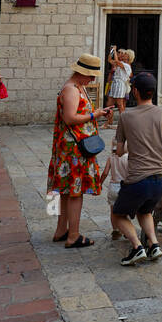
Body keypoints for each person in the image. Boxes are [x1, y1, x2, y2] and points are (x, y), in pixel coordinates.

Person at [112, 71, 162, 265]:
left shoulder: (126, 116)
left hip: (138, 179)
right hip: (161, 179)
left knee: (118, 215)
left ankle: (137, 247)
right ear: (152, 92)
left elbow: (119, 151)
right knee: (145, 211)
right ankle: (154, 245)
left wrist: (131, 144)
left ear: (135, 91)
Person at [48, 54, 115, 248]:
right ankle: (73, 235)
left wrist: (98, 112)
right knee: (75, 191)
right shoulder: (71, 90)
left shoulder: (78, 87)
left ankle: (62, 230)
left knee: (67, 190)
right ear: (81, 72)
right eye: (91, 75)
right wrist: (95, 114)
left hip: (72, 146)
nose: (93, 79)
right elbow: (69, 118)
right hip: (73, 149)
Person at [101, 147, 128, 240]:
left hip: (113, 187)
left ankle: (115, 230)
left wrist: (100, 183)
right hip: (124, 187)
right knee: (124, 211)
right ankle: (126, 230)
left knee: (113, 211)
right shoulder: (127, 157)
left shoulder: (111, 157)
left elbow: (105, 173)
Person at [105, 46, 132, 126]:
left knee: (120, 105)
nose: (123, 55)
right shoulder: (120, 64)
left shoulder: (127, 65)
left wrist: (115, 50)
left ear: (128, 57)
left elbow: (116, 61)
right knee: (109, 104)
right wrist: (111, 51)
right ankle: (109, 121)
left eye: (125, 54)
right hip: (114, 84)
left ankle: (123, 123)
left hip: (120, 84)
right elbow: (110, 60)